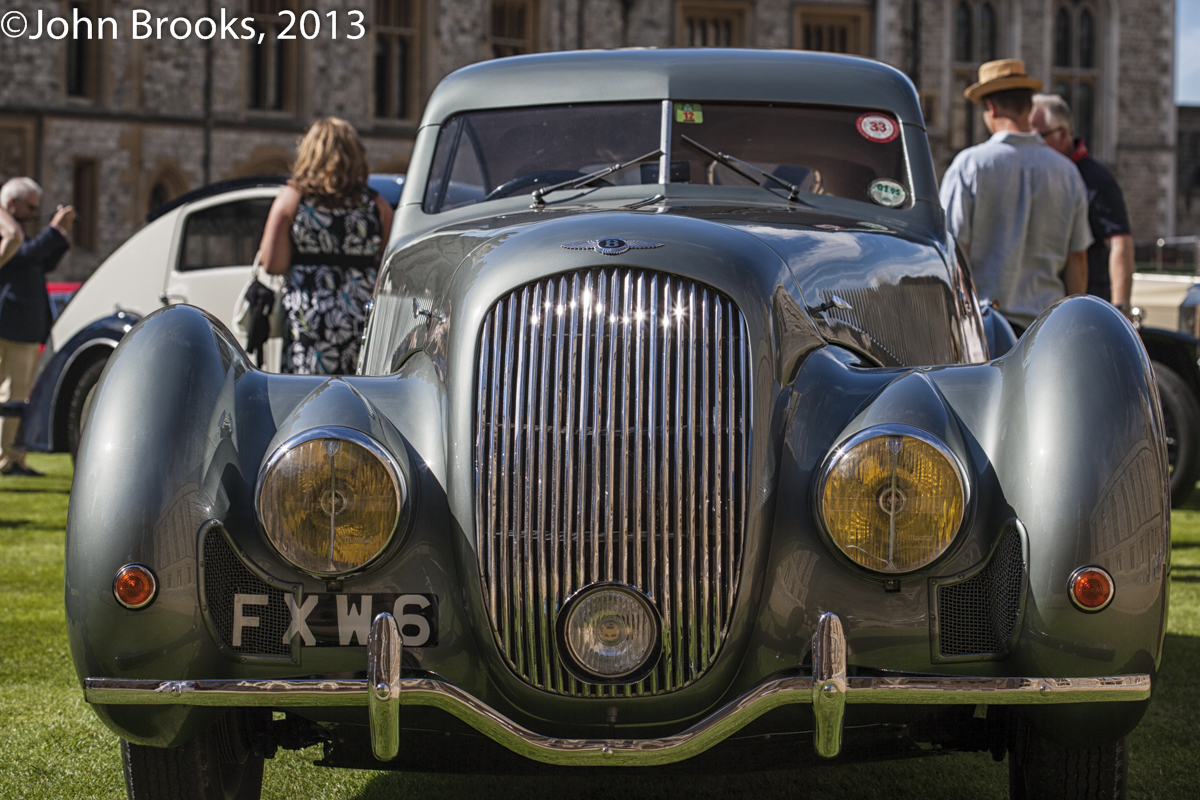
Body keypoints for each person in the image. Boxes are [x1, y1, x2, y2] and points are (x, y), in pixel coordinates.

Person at [940, 59, 1093, 332]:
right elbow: (1077, 259)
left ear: (992, 107)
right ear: (1028, 105)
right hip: (1048, 327)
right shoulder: (1067, 172)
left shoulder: (970, 165)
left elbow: (952, 253)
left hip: (985, 325)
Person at [258, 117, 393, 374]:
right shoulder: (377, 205)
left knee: (305, 397)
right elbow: (388, 266)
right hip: (359, 317)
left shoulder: (292, 200)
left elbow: (272, 262)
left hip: (309, 317)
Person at [1030, 93, 1135, 315]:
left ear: (1062, 135)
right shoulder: (1039, 173)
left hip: (1088, 306)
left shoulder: (1095, 178)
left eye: (1038, 137)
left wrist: (1121, 310)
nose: (1032, 144)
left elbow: (1120, 242)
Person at [0, 177, 75, 476]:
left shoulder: (18, 232)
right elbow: (26, 253)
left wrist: (60, 234)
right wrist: (55, 229)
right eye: (30, 207)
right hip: (12, 322)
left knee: (18, 394)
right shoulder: (7, 231)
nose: (34, 213)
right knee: (12, 392)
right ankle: (6, 459)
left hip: (23, 324)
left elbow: (42, 261)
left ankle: (13, 456)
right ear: (11, 203)